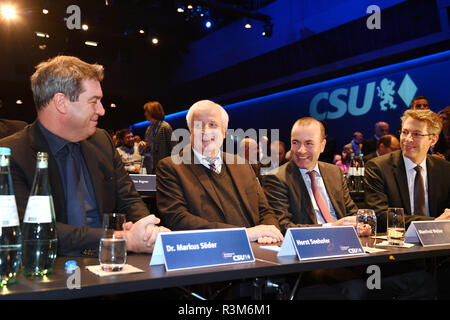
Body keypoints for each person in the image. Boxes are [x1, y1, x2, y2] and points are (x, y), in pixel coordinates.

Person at [0, 56, 169, 257]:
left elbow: (129, 198)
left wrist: (147, 230)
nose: (102, 110)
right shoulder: (11, 155)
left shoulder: (102, 142)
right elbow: (33, 230)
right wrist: (122, 239)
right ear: (61, 102)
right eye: (94, 101)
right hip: (48, 273)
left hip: (115, 270)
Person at [156, 100, 283, 244]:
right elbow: (178, 220)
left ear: (224, 132)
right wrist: (243, 235)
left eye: (213, 124)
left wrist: (268, 231)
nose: (205, 131)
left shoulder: (242, 165)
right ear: (190, 131)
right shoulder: (170, 167)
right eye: (198, 125)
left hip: (259, 249)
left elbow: (265, 210)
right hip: (211, 255)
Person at [262, 117, 369, 233]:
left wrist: (361, 226)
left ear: (322, 146)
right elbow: (284, 227)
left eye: (309, 143)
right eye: (295, 142)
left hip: (346, 243)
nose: (301, 150)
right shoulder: (277, 178)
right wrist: (333, 227)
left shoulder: (334, 173)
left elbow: (352, 211)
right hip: (309, 246)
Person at [364, 109, 450, 231]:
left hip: (440, 241)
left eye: (416, 134)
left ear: (433, 140)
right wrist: (433, 223)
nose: (408, 139)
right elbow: (379, 216)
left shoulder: (444, 169)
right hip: (397, 243)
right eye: (405, 132)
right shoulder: (378, 167)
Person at [141, 101, 175, 174]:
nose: (145, 114)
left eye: (147, 111)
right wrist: (143, 145)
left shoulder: (165, 127)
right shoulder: (148, 129)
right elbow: (148, 148)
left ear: (153, 112)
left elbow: (174, 149)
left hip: (163, 168)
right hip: (150, 167)